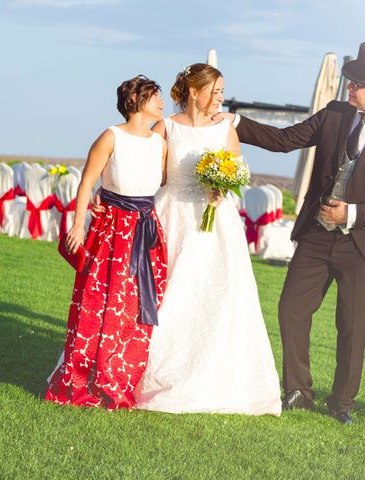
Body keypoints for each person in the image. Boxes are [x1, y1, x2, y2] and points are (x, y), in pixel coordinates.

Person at [216, 41, 365, 423]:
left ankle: (342, 402)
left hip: (363, 244)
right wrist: (235, 122)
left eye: (356, 83)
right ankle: (298, 389)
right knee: (291, 309)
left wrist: (353, 213)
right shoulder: (334, 114)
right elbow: (284, 141)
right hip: (315, 236)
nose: (348, 87)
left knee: (353, 327)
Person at [134, 63, 282, 415]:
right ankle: (156, 374)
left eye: (221, 91)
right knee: (170, 292)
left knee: (216, 294)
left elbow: (237, 171)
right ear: (194, 91)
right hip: (173, 216)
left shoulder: (226, 128)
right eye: (214, 91)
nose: (220, 98)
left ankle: (215, 376)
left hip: (216, 224)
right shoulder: (166, 127)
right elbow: (148, 173)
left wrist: (223, 186)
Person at [45, 75, 168, 410]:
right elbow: (87, 182)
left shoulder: (161, 142)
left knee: (134, 309)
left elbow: (164, 183)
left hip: (146, 230)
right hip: (111, 229)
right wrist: (78, 226)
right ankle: (84, 377)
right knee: (98, 303)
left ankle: (118, 380)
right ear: (137, 101)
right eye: (156, 96)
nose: (162, 102)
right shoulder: (110, 136)